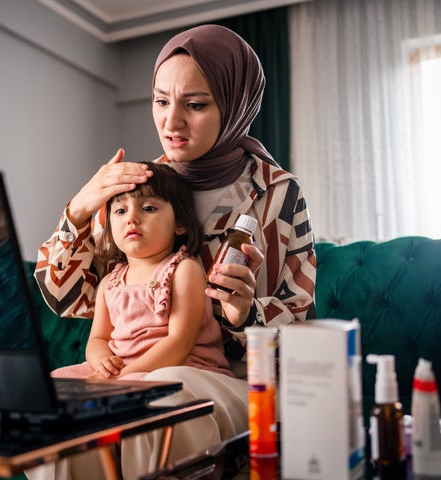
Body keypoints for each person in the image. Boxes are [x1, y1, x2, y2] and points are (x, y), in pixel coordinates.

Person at [32, 24, 316, 480]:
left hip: (237, 382)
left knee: (159, 395)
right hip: (136, 373)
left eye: (196, 104)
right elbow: (70, 297)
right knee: (52, 407)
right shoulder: (146, 186)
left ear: (236, 105)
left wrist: (247, 315)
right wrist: (80, 209)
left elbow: (301, 323)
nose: (171, 123)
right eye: (161, 101)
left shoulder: (276, 193)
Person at [50, 162, 233, 381]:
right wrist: (103, 362)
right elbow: (97, 339)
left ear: (180, 223)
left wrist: (121, 378)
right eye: (120, 210)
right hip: (122, 370)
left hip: (178, 366)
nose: (131, 218)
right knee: (57, 380)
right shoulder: (110, 283)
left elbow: (179, 342)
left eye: (148, 208)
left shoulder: (184, 270)